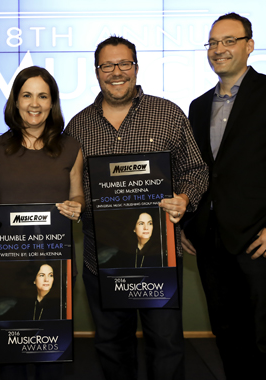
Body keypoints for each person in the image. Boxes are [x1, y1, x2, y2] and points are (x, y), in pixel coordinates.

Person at [64, 36, 209, 380]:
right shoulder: (77, 126)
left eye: (124, 64)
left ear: (136, 67)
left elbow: (196, 170)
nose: (116, 72)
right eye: (107, 65)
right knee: (112, 347)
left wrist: (185, 199)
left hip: (159, 258)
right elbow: (70, 189)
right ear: (96, 72)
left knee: (166, 346)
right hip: (101, 260)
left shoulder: (168, 114)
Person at [181, 12, 266, 380]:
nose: (219, 49)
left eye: (229, 41)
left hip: (260, 239)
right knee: (226, 334)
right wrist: (189, 222)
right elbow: (199, 172)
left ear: (249, 46)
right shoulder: (198, 105)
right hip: (210, 241)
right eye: (212, 42)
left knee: (263, 337)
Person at [0, 65, 84, 380]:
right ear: (15, 101)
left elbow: (78, 196)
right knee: (12, 355)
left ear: (52, 102)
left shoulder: (71, 148)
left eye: (43, 96)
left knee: (52, 353)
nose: (35, 104)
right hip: (5, 265)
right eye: (27, 95)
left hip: (55, 266)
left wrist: (76, 208)